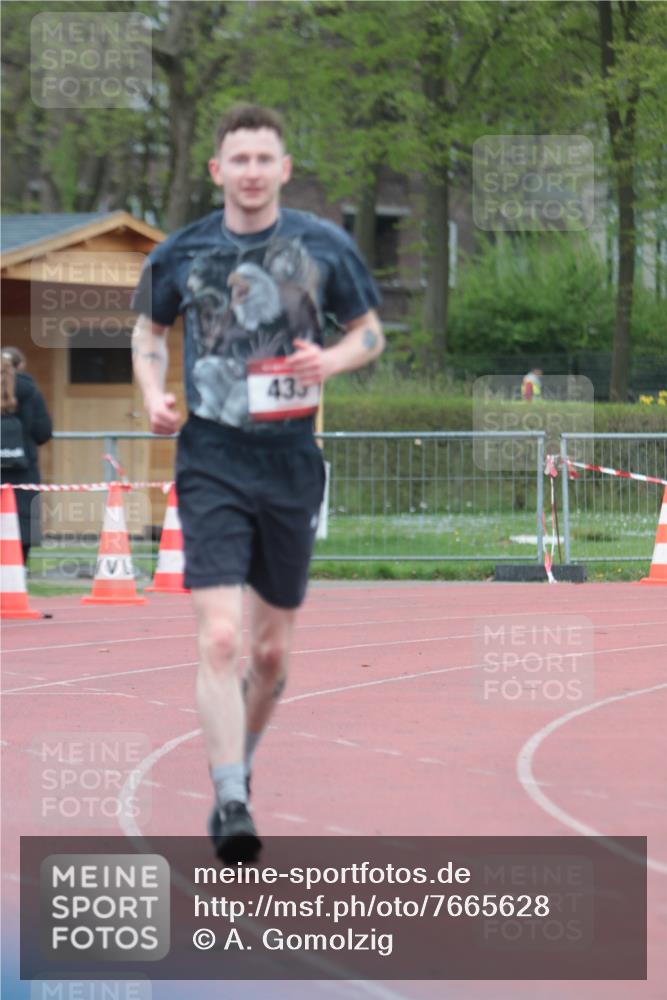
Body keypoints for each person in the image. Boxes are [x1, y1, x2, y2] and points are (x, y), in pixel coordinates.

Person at [131, 104, 385, 862]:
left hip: (290, 459)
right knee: (217, 637)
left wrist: (330, 362)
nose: (248, 172)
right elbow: (147, 331)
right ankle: (230, 795)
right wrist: (152, 396)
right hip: (210, 454)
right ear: (217, 171)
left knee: (269, 655)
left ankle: (240, 763)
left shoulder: (323, 245)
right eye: (235, 159)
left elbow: (369, 332)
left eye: (261, 160)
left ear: (282, 168)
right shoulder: (180, 252)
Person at [1, 348, 53, 565]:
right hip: (24, 471)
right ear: (20, 366)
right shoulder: (30, 391)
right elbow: (43, 432)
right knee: (23, 518)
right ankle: (18, 571)